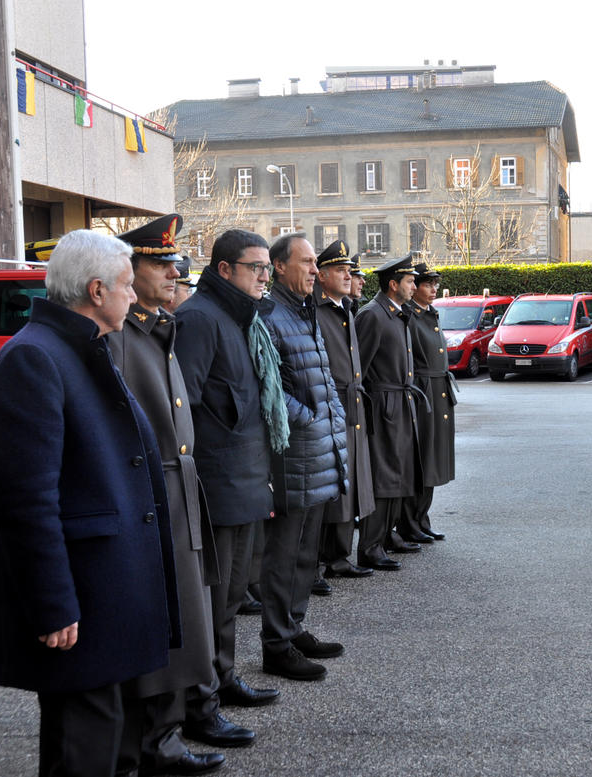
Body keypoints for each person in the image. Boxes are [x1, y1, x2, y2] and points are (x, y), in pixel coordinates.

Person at [0, 229, 180, 777]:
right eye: (125, 285)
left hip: (106, 588)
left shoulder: (80, 346)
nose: (133, 296)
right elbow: (26, 501)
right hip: (81, 595)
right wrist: (53, 604)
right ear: (96, 291)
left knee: (107, 737)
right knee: (81, 746)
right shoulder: (35, 358)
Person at [107, 215, 225, 776]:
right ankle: (154, 741)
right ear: (129, 271)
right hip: (151, 496)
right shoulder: (120, 334)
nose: (174, 273)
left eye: (175, 264)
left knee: (186, 617)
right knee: (163, 619)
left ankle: (167, 733)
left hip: (177, 492)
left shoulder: (159, 325)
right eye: (160, 265)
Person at [175, 230, 281, 749]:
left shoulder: (239, 317)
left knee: (233, 595)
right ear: (224, 270)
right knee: (212, 601)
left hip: (245, 479)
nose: (264, 276)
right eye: (255, 267)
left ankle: (222, 679)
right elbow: (185, 412)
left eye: (267, 268)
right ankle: (200, 706)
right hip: (217, 485)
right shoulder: (199, 319)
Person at [255, 232, 349, 681]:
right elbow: (268, 388)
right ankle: (276, 644)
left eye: (315, 262)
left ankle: (293, 629)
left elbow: (322, 380)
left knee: (305, 554)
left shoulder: (303, 310)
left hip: (318, 451)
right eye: (307, 262)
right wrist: (311, 420)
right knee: (284, 555)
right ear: (279, 266)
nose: (315, 270)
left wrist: (332, 418)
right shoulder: (270, 314)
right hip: (294, 456)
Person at [312, 242, 376, 583]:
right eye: (340, 270)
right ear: (321, 276)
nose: (348, 276)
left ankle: (338, 556)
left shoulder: (345, 308)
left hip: (352, 404)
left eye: (349, 270)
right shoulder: (315, 309)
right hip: (332, 404)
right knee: (332, 485)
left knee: (350, 483)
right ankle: (319, 562)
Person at [354, 256, 422, 570]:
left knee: (399, 471)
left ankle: (387, 535)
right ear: (393, 284)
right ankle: (370, 545)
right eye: (410, 281)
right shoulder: (373, 314)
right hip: (383, 406)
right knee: (383, 476)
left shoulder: (396, 312)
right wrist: (373, 407)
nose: (414, 286)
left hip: (400, 401)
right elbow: (360, 368)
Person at [401, 263, 455, 541]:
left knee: (433, 459)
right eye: (426, 284)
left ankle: (421, 518)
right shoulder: (410, 315)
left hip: (437, 391)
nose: (433, 289)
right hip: (423, 392)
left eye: (435, 284)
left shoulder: (429, 312)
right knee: (422, 459)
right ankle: (410, 522)